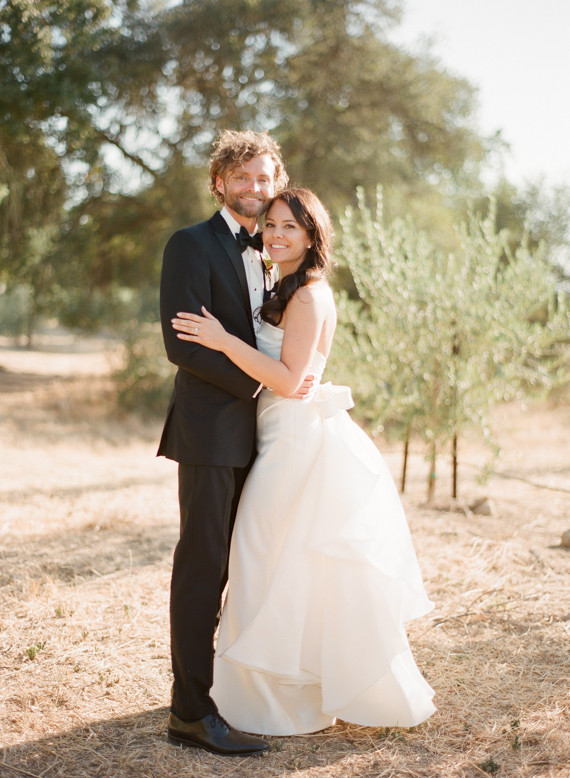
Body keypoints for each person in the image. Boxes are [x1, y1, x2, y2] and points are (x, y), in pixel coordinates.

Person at [171, 188, 436, 737]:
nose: (275, 235)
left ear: (313, 235)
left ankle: (273, 699)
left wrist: (222, 340)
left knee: (260, 560)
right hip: (272, 434)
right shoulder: (286, 286)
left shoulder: (310, 296)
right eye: (271, 224)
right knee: (273, 564)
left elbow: (291, 382)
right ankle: (266, 692)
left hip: (291, 442)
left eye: (289, 226)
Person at [158, 130, 298, 756]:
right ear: (219, 182)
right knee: (203, 567)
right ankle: (190, 713)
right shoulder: (190, 244)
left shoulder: (273, 250)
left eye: (264, 178)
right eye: (241, 177)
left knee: (248, 564)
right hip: (211, 433)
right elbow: (182, 344)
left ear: (277, 183)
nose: (253, 188)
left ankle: (225, 689)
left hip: (264, 435)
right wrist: (260, 384)